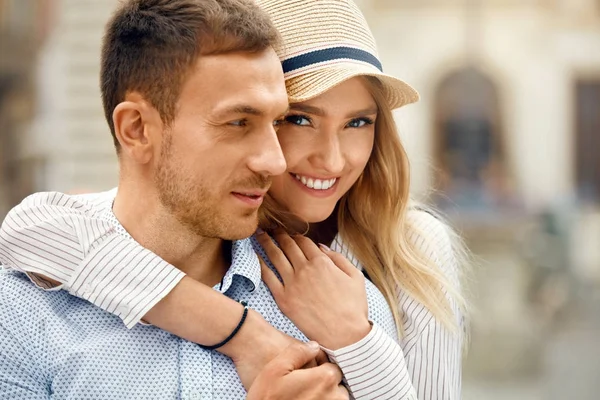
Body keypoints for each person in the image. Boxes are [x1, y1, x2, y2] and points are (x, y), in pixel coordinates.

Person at [0, 0, 468, 399]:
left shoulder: (395, 267)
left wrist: (359, 341)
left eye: (359, 122)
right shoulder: (38, 297)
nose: (330, 160)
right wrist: (243, 335)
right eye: (299, 120)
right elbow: (29, 228)